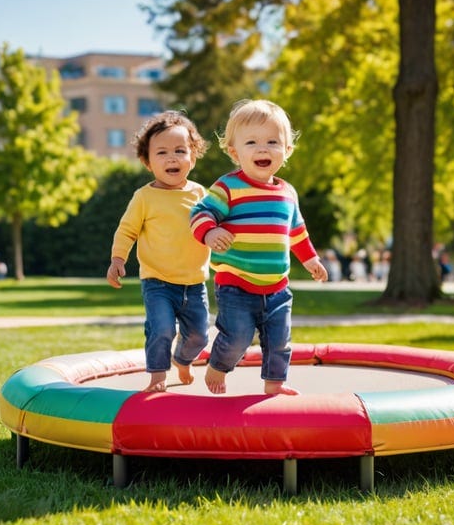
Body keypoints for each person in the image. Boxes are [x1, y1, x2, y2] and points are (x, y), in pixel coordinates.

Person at [190, 99, 328, 396]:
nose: (262, 149)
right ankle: (218, 364)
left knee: (280, 340)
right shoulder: (227, 187)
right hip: (236, 284)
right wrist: (210, 231)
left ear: (286, 151)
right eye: (251, 142)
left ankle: (274, 384)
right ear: (234, 151)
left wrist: (311, 260)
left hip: (277, 287)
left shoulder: (288, 193)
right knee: (237, 337)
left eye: (272, 142)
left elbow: (297, 232)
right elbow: (199, 213)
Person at [107, 110, 211, 392]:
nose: (172, 158)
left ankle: (182, 359)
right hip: (157, 282)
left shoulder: (202, 195)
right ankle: (157, 376)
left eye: (180, 150)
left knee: (199, 337)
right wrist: (118, 259)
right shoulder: (144, 197)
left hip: (194, 283)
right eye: (162, 152)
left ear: (193, 155)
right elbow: (126, 230)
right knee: (162, 329)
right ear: (147, 161)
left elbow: (215, 228)